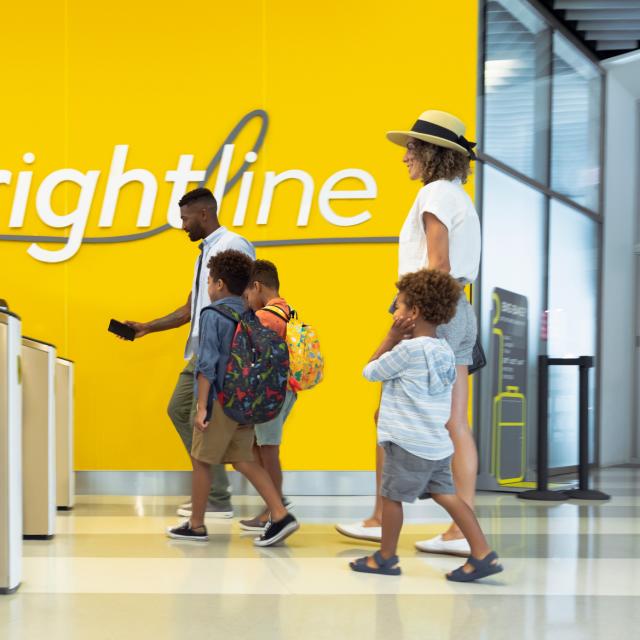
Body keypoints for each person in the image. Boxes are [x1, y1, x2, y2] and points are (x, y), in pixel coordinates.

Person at [336, 111, 482, 556]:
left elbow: (436, 262)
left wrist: (411, 316)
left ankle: (382, 519)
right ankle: (462, 530)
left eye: (412, 149)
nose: (404, 157)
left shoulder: (435, 194)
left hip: (429, 304)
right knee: (455, 421)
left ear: (432, 154)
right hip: (460, 307)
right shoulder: (460, 197)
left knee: (387, 417)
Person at [349, 269, 501, 581]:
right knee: (450, 497)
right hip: (436, 445)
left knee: (391, 498)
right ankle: (482, 552)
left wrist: (390, 338)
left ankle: (386, 557)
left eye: (400, 306)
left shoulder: (406, 351)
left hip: (406, 443)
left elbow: (370, 371)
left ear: (414, 312)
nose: (396, 312)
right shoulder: (445, 351)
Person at [124, 187, 255, 519]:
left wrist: (228, 349)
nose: (182, 225)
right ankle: (216, 493)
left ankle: (218, 498)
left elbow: (247, 297)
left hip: (219, 349)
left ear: (204, 215)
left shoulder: (231, 246)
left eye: (185, 218)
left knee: (200, 417)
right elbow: (191, 306)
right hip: (201, 348)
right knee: (186, 411)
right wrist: (147, 327)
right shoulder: (204, 253)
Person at [166, 250, 299, 546]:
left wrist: (201, 406)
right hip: (246, 399)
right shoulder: (248, 311)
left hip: (220, 401)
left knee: (201, 459)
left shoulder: (213, 314)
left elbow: (207, 364)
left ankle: (196, 524)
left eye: (210, 281)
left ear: (220, 284)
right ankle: (280, 514)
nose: (209, 287)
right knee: (243, 458)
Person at [239, 260, 297, 532]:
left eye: (247, 294)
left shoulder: (264, 317)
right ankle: (272, 504)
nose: (247, 301)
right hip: (286, 389)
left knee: (268, 450)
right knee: (261, 447)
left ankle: (276, 511)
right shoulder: (288, 310)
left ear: (257, 287)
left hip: (270, 392)